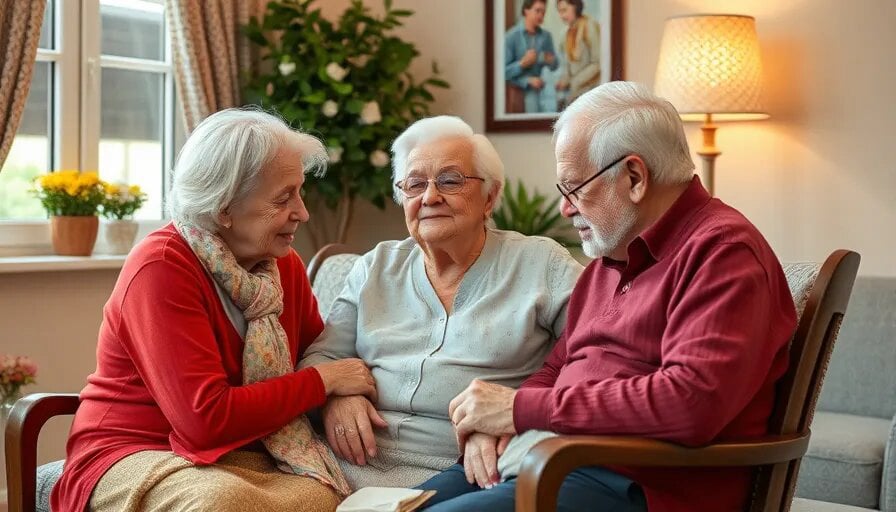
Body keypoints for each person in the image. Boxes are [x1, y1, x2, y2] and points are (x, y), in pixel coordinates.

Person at [418, 82, 798, 511]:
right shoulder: (610, 258)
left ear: (634, 177)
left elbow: (692, 402)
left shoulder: (723, 252)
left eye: (574, 188)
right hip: (557, 459)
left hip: (637, 482)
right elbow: (560, 365)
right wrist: (495, 424)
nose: (565, 208)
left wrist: (521, 409)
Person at [51, 109, 378, 512]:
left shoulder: (283, 265)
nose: (303, 212)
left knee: (327, 495)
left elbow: (320, 353)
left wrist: (339, 393)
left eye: (300, 191)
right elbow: (205, 420)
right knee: (221, 504)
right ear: (224, 208)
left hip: (244, 452)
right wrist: (324, 382)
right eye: (283, 198)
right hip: (136, 450)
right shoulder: (162, 265)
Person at [299, 115, 583, 491]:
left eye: (450, 180)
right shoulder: (375, 267)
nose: (430, 197)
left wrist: (509, 417)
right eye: (415, 184)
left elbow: (595, 356)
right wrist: (337, 394)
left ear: (490, 197)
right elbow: (322, 357)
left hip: (464, 473)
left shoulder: (541, 264)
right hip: (344, 469)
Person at [504, 0, 559, 113]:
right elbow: (503, 73)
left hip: (543, 89)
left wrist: (551, 61)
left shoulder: (546, 36)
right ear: (526, 10)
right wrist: (522, 65)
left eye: (543, 12)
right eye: (537, 11)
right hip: (520, 92)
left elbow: (554, 66)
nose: (541, 15)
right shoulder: (510, 37)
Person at [554, 0, 602, 107]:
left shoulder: (590, 25)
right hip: (575, 91)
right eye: (559, 11)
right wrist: (563, 81)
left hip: (591, 90)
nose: (561, 15)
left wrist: (574, 82)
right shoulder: (566, 33)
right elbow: (568, 65)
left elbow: (598, 63)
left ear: (576, 7)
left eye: (564, 10)